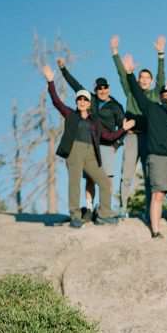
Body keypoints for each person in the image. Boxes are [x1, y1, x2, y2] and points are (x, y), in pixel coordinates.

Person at [42, 65, 133, 227]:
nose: (82, 102)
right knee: (75, 184)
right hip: (74, 152)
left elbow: (108, 136)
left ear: (89, 103)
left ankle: (104, 214)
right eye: (80, 99)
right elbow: (56, 101)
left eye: (85, 99)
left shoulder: (95, 121)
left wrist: (123, 130)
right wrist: (50, 81)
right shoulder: (70, 114)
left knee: (104, 182)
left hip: (91, 153)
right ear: (77, 102)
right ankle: (76, 216)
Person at [123, 55, 167, 240]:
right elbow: (137, 94)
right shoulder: (153, 109)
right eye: (165, 94)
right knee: (158, 195)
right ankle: (155, 230)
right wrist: (129, 73)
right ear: (160, 96)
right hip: (159, 158)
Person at [57, 58, 126, 216]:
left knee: (106, 178)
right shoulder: (90, 100)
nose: (102, 91)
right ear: (95, 90)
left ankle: (103, 210)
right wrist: (63, 69)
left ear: (109, 88)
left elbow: (124, 126)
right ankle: (88, 207)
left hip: (107, 144)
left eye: (104, 88)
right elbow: (75, 85)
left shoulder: (116, 106)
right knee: (89, 178)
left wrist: (117, 144)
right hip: (89, 143)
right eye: (99, 88)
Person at [110, 34, 166, 212]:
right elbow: (122, 74)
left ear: (150, 81)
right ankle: (122, 207)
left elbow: (161, 79)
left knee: (150, 175)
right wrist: (115, 52)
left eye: (147, 78)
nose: (143, 79)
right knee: (127, 173)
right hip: (132, 137)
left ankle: (151, 211)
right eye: (141, 77)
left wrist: (160, 55)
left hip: (149, 138)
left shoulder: (154, 95)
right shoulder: (131, 92)